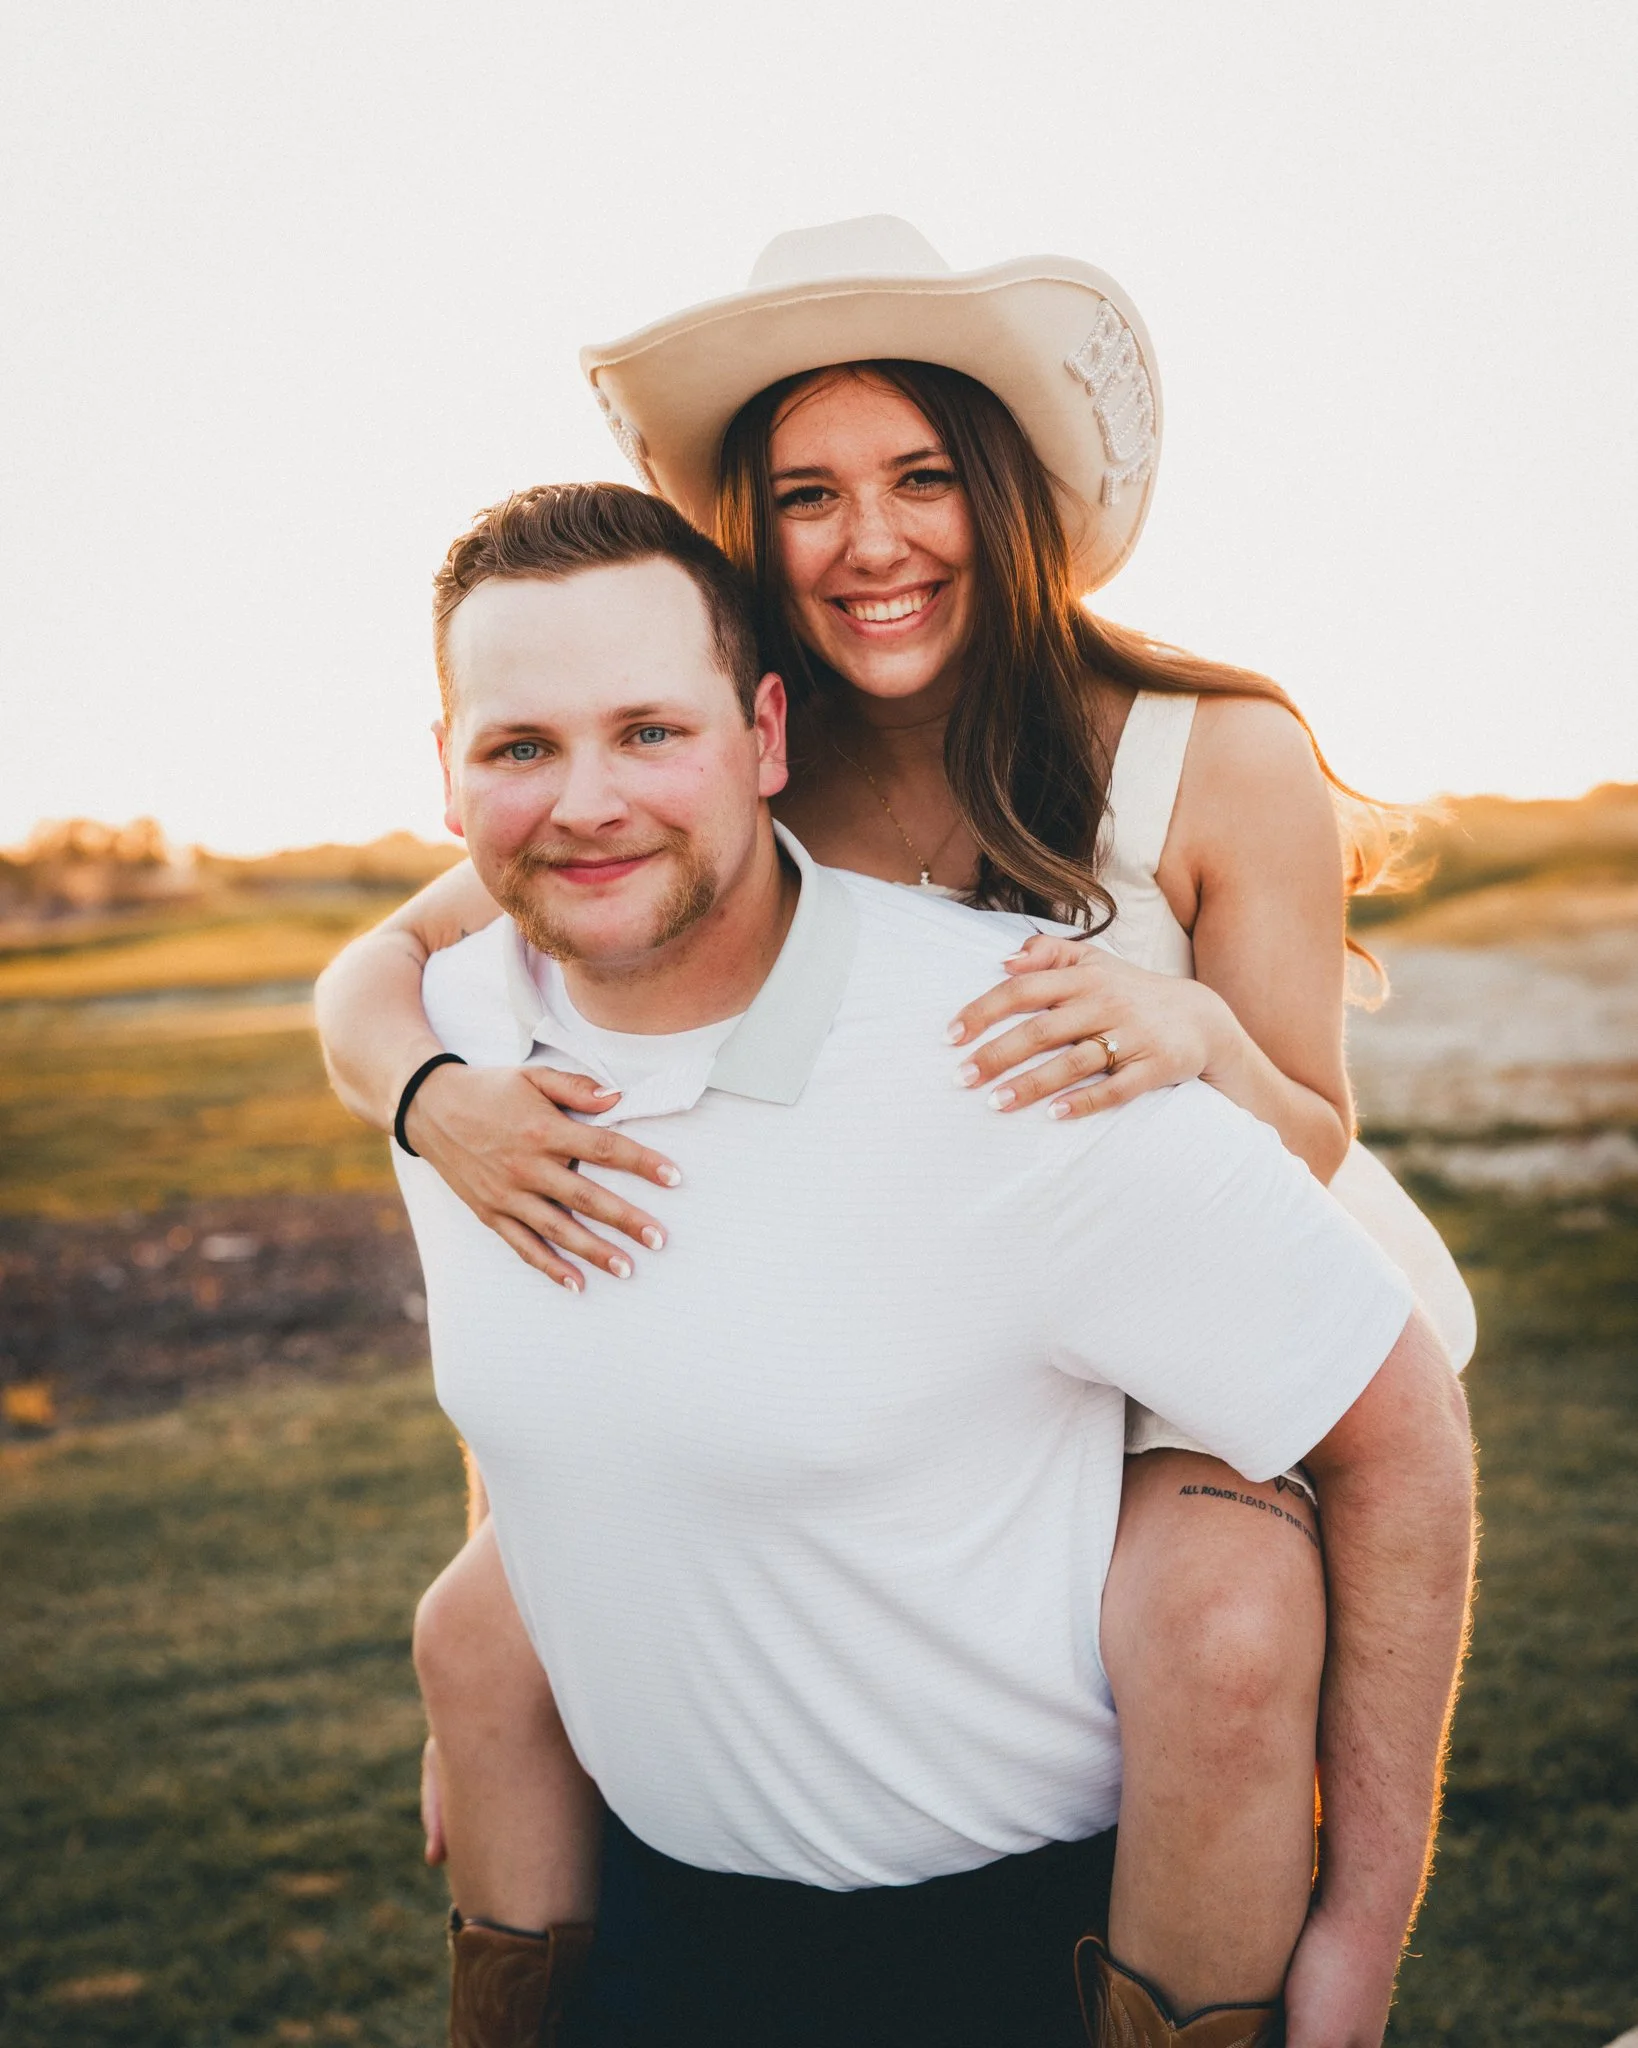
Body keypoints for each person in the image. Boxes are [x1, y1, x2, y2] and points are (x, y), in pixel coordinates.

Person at [314, 222, 1477, 2040]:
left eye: (921, 477)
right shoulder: (722, 772)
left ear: (1002, 495)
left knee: (1218, 1633)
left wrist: (1188, 1035)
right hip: (893, 1332)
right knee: (480, 1623)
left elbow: (1307, 1142)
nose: (868, 541)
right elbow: (398, 961)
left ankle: (1231, 1999)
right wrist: (423, 1094)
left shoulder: (1207, 755)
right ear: (752, 552)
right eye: (807, 496)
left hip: (1185, 1318)